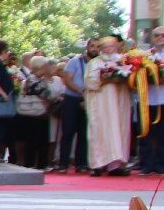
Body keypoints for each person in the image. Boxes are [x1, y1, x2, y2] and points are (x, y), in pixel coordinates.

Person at [85, 35, 132, 175]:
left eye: (111, 46)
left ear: (116, 46)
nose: (108, 49)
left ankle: (116, 165)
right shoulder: (94, 63)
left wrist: (123, 78)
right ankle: (98, 164)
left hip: (119, 101)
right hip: (101, 103)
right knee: (100, 130)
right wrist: (105, 79)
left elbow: (131, 78)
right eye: (105, 46)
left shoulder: (123, 60)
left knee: (119, 129)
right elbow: (89, 82)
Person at [56, 37, 94, 171]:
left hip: (90, 99)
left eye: (97, 46)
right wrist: (81, 91)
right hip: (72, 99)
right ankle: (63, 163)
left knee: (84, 133)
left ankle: (81, 163)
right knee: (68, 132)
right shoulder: (75, 61)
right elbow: (67, 80)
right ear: (87, 47)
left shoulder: (99, 63)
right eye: (92, 46)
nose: (95, 49)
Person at [139, 28, 164, 174]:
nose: (160, 37)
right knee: (146, 134)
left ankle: (161, 165)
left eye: (163, 35)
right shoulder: (145, 56)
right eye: (157, 35)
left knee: (163, 134)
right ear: (152, 38)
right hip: (147, 100)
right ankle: (146, 165)